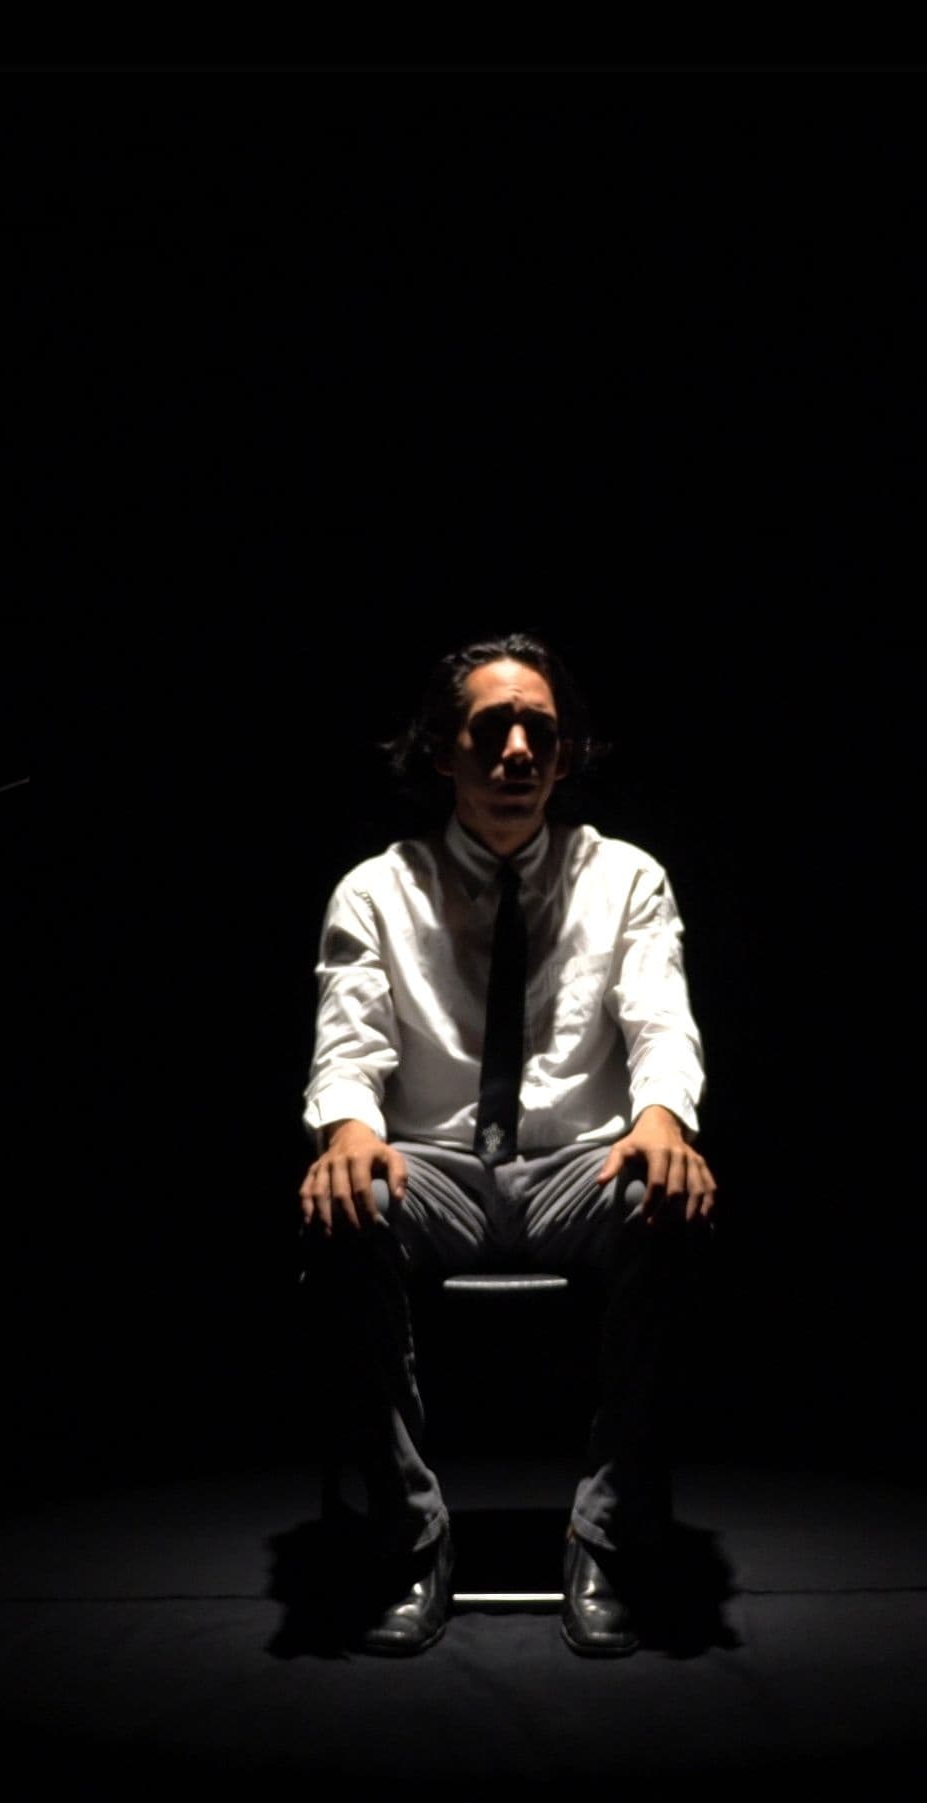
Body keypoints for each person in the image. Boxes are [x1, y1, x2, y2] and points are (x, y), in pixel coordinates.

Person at [296, 632, 717, 1657]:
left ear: (566, 755)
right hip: (434, 1168)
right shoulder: (377, 890)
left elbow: (660, 1023)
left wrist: (664, 1119)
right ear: (443, 750)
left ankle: (605, 1533)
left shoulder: (625, 877)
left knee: (669, 1198)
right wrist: (345, 1131)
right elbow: (349, 1044)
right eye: (493, 730)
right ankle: (411, 1536)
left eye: (542, 732)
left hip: (581, 1166)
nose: (520, 752)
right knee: (345, 1206)